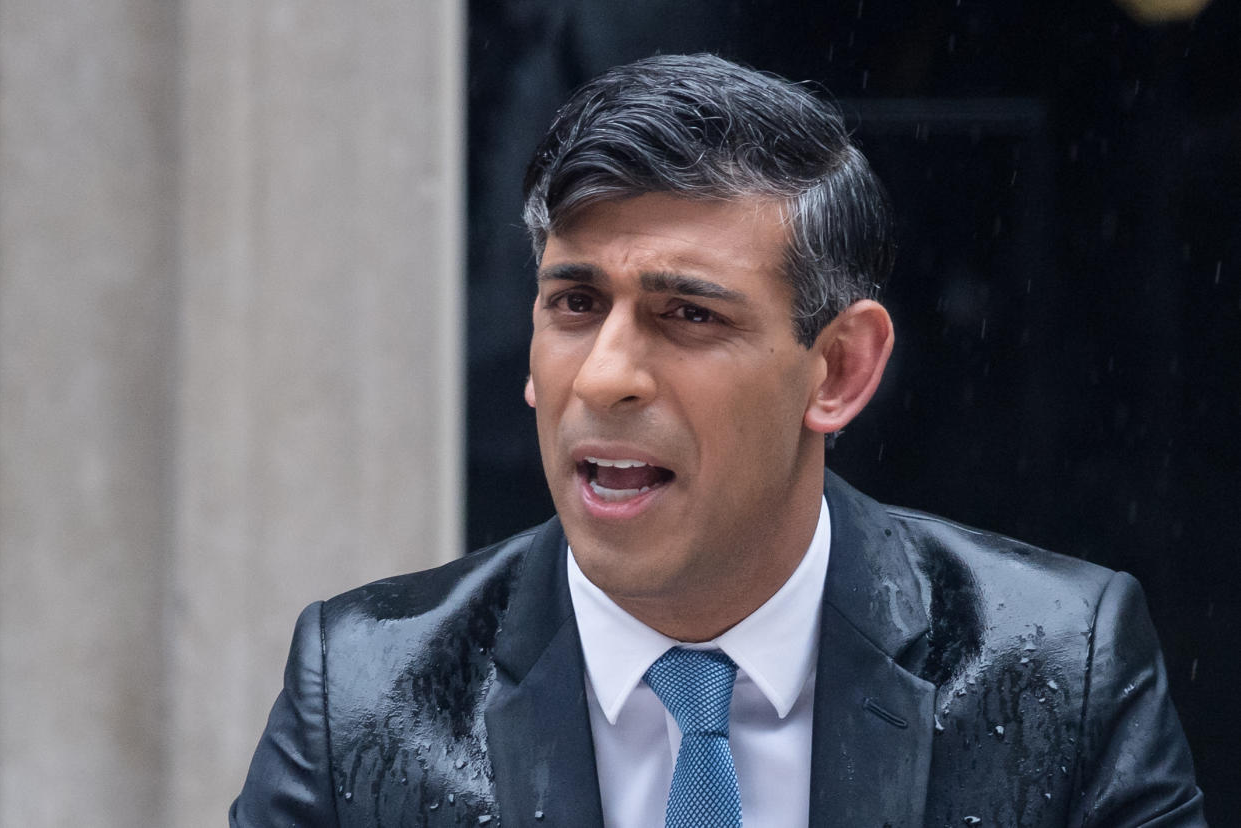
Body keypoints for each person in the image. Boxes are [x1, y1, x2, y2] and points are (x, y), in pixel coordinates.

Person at [230, 53, 1204, 827]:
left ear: (840, 369)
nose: (606, 375)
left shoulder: (1059, 673)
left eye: (688, 316)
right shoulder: (361, 696)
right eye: (573, 303)